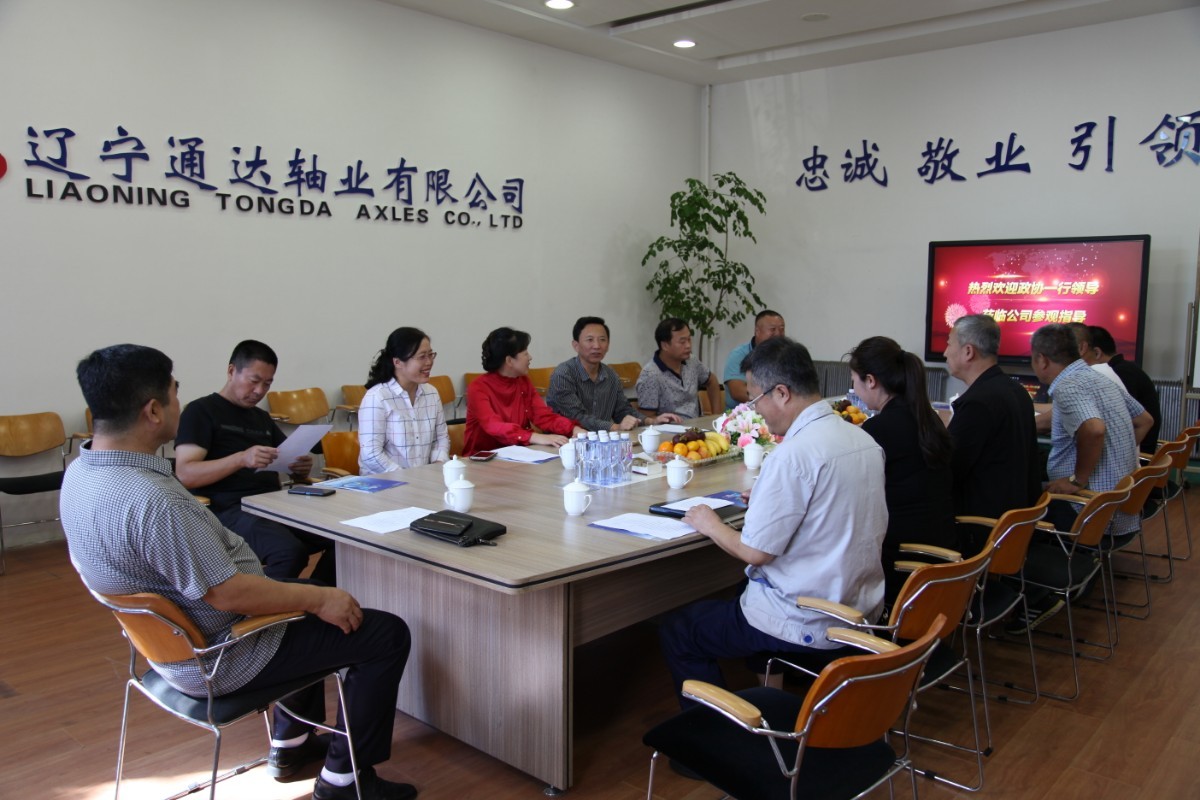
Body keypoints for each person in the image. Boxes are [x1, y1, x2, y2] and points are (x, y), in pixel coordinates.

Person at [60, 344, 416, 800]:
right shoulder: (153, 501)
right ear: (153, 410)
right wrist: (320, 599)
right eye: (174, 391)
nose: (178, 402)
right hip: (221, 653)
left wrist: (309, 597)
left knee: (303, 594)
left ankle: (291, 744)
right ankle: (344, 782)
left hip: (167, 647)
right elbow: (228, 594)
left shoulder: (81, 473)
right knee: (384, 633)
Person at [659, 336, 887, 708]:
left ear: (781, 393)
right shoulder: (861, 439)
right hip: (858, 605)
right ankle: (768, 695)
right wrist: (768, 496)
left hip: (809, 618)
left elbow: (756, 553)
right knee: (740, 592)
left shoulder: (793, 454)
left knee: (679, 629)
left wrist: (709, 522)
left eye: (754, 399)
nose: (756, 411)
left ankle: (715, 731)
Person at [175, 340, 334, 584]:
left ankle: (317, 594)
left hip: (272, 503)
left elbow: (286, 459)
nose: (260, 391)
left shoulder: (261, 418)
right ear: (231, 371)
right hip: (229, 509)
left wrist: (298, 469)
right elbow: (186, 473)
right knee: (288, 552)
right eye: (254, 381)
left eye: (267, 383)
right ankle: (260, 604)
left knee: (341, 539)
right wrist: (241, 458)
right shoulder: (200, 411)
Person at [848, 336, 955, 600]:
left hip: (903, 561)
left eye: (854, 381)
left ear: (870, 380)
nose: (854, 390)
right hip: (940, 547)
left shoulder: (880, 429)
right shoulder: (928, 417)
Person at [943, 315, 1042, 552]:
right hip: (1013, 522)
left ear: (968, 351)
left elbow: (949, 469)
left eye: (949, 344)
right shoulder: (1016, 390)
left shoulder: (978, 403)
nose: (945, 353)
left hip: (982, 530)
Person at [545, 316, 681, 432]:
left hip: (602, 442)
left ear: (608, 345)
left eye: (602, 339)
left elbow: (623, 410)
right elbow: (576, 417)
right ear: (576, 345)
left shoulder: (611, 375)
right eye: (590, 340)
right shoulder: (563, 374)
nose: (597, 346)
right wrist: (615, 427)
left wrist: (652, 421)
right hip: (564, 443)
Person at [464, 327, 586, 455]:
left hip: (518, 454)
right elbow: (493, 425)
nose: (530, 357)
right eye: (525, 353)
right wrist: (534, 437)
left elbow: (543, 416)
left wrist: (573, 429)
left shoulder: (522, 381)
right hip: (483, 457)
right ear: (509, 360)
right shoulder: (478, 387)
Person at [358, 327, 450, 474]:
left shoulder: (431, 393)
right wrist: (407, 477)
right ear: (398, 362)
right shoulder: (377, 397)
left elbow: (441, 439)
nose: (429, 362)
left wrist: (437, 467)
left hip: (423, 479)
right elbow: (371, 454)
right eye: (422, 357)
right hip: (386, 481)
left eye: (431, 355)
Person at [1089, 325, 1162, 453]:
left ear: (1097, 353)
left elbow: (1120, 420)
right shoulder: (1125, 368)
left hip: (1138, 452)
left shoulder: (1120, 374)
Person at [635, 318, 721, 419]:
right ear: (665, 345)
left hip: (697, 425)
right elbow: (646, 419)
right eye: (682, 342)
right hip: (670, 428)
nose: (688, 346)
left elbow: (712, 381)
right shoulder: (650, 375)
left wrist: (717, 417)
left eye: (689, 339)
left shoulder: (692, 361)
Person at [723, 310, 786, 408]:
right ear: (757, 331)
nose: (778, 334)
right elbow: (737, 392)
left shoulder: (785, 355)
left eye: (782, 329)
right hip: (743, 414)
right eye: (772, 329)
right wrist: (773, 403)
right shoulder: (739, 355)